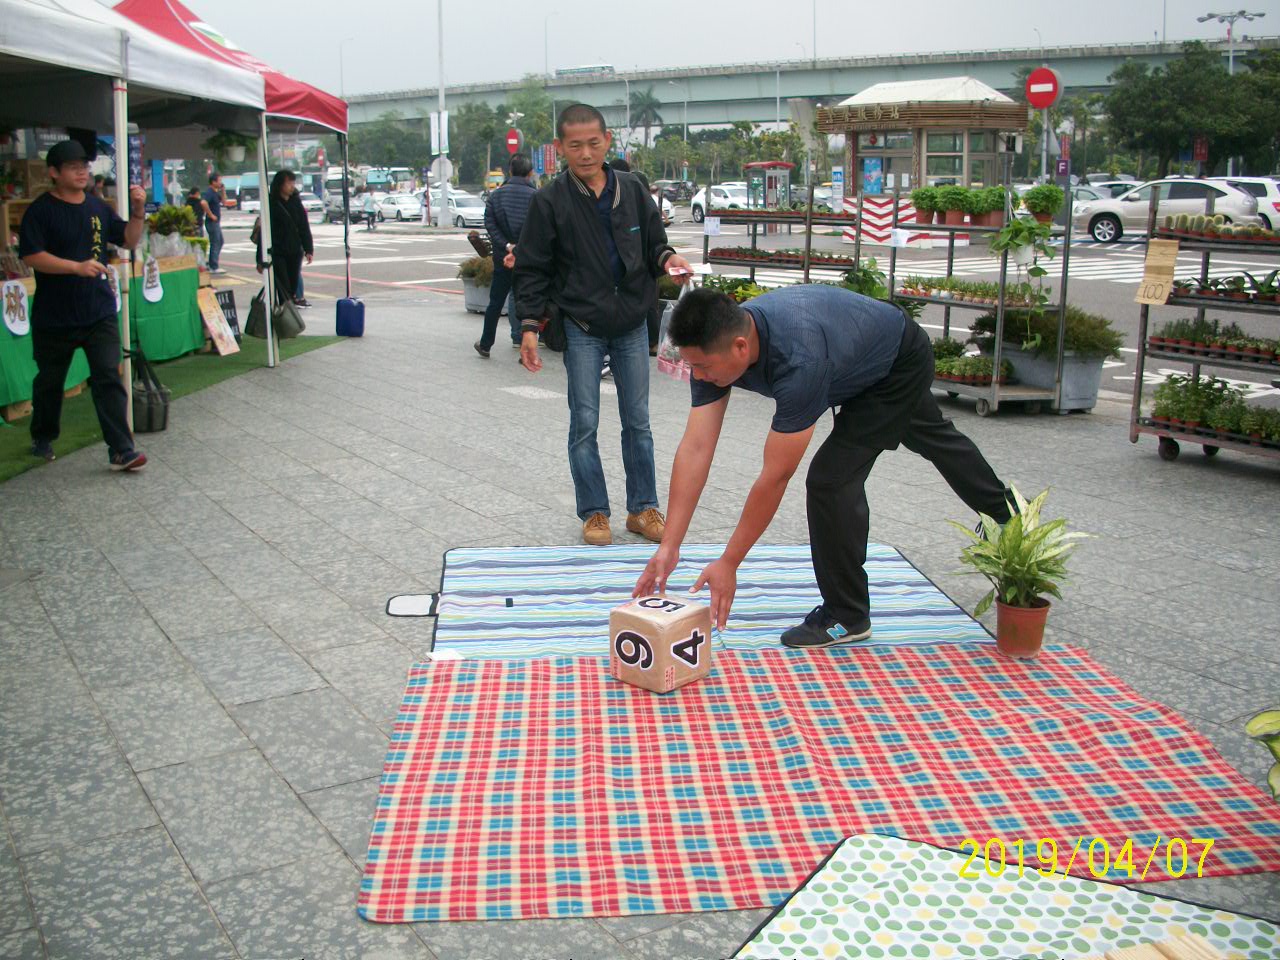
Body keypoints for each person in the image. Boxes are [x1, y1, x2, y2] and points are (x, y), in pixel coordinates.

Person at [632, 285, 1016, 647]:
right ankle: (1010, 513)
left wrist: (730, 562)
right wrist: (670, 546)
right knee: (933, 437)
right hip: (856, 354)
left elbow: (776, 476)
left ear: (741, 346)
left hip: (896, 362)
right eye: (692, 366)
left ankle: (847, 614)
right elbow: (697, 447)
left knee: (831, 479)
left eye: (702, 366)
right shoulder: (715, 350)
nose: (697, 376)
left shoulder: (800, 362)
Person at [514, 103, 694, 546]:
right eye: (574, 145)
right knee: (585, 422)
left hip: (632, 320)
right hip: (582, 325)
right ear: (559, 148)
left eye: (594, 143)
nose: (586, 153)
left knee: (638, 421)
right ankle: (595, 512)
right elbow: (533, 267)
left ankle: (643, 508)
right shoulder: (549, 200)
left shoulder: (631, 189)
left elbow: (655, 244)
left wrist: (668, 259)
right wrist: (529, 326)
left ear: (607, 140)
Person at [18, 139, 149, 471]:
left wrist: (137, 211)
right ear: (54, 172)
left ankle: (121, 449)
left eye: (85, 166)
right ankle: (43, 434)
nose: (82, 171)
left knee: (107, 374)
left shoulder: (97, 207)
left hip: (98, 309)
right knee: (50, 381)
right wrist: (75, 267)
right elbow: (32, 255)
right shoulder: (41, 210)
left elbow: (129, 240)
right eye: (73, 166)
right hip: (55, 315)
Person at [474, 152, 536, 358]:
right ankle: (523, 346)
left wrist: (507, 245)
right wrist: (521, 248)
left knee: (496, 301)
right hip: (528, 259)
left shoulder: (496, 195)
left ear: (510, 171)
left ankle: (485, 344)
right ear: (530, 172)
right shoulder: (536, 197)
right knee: (525, 301)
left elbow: (489, 223)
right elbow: (540, 228)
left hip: (502, 257)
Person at [255, 169, 313, 306]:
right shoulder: (271, 204)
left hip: (294, 251)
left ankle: (286, 312)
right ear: (280, 184)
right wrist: (259, 258)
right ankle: (285, 315)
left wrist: (308, 249)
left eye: (293, 182)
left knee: (292, 286)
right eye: (289, 183)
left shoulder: (296, 202)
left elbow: (304, 226)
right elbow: (263, 232)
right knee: (283, 287)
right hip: (277, 252)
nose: (292, 186)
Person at [203, 173, 226, 274]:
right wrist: (211, 215)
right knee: (215, 242)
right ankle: (213, 266)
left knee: (220, 241)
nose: (221, 183)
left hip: (216, 223)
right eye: (219, 181)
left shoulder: (215, 193)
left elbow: (224, 202)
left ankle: (212, 262)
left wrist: (223, 190)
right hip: (212, 222)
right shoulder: (209, 192)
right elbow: (203, 202)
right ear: (213, 182)